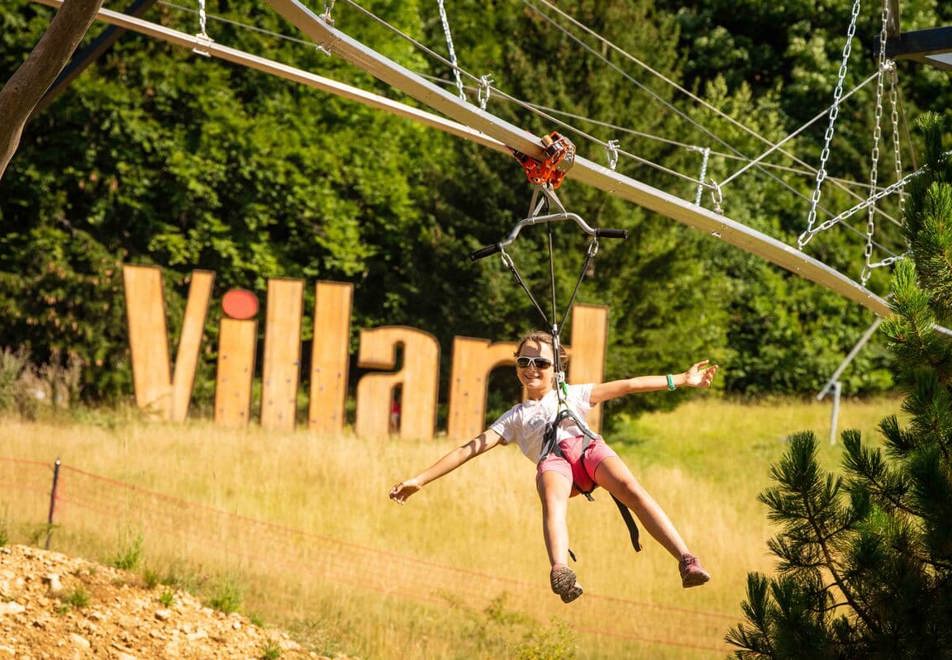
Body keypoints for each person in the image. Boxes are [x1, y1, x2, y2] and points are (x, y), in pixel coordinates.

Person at [389, 330, 718, 603]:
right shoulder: (515, 418)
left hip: (588, 451)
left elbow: (629, 385)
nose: (531, 368)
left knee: (631, 488)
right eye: (523, 361)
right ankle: (560, 570)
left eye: (541, 362)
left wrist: (682, 380)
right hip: (556, 465)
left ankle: (686, 559)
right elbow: (469, 449)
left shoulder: (574, 394)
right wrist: (420, 479)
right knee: (551, 496)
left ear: (556, 367)